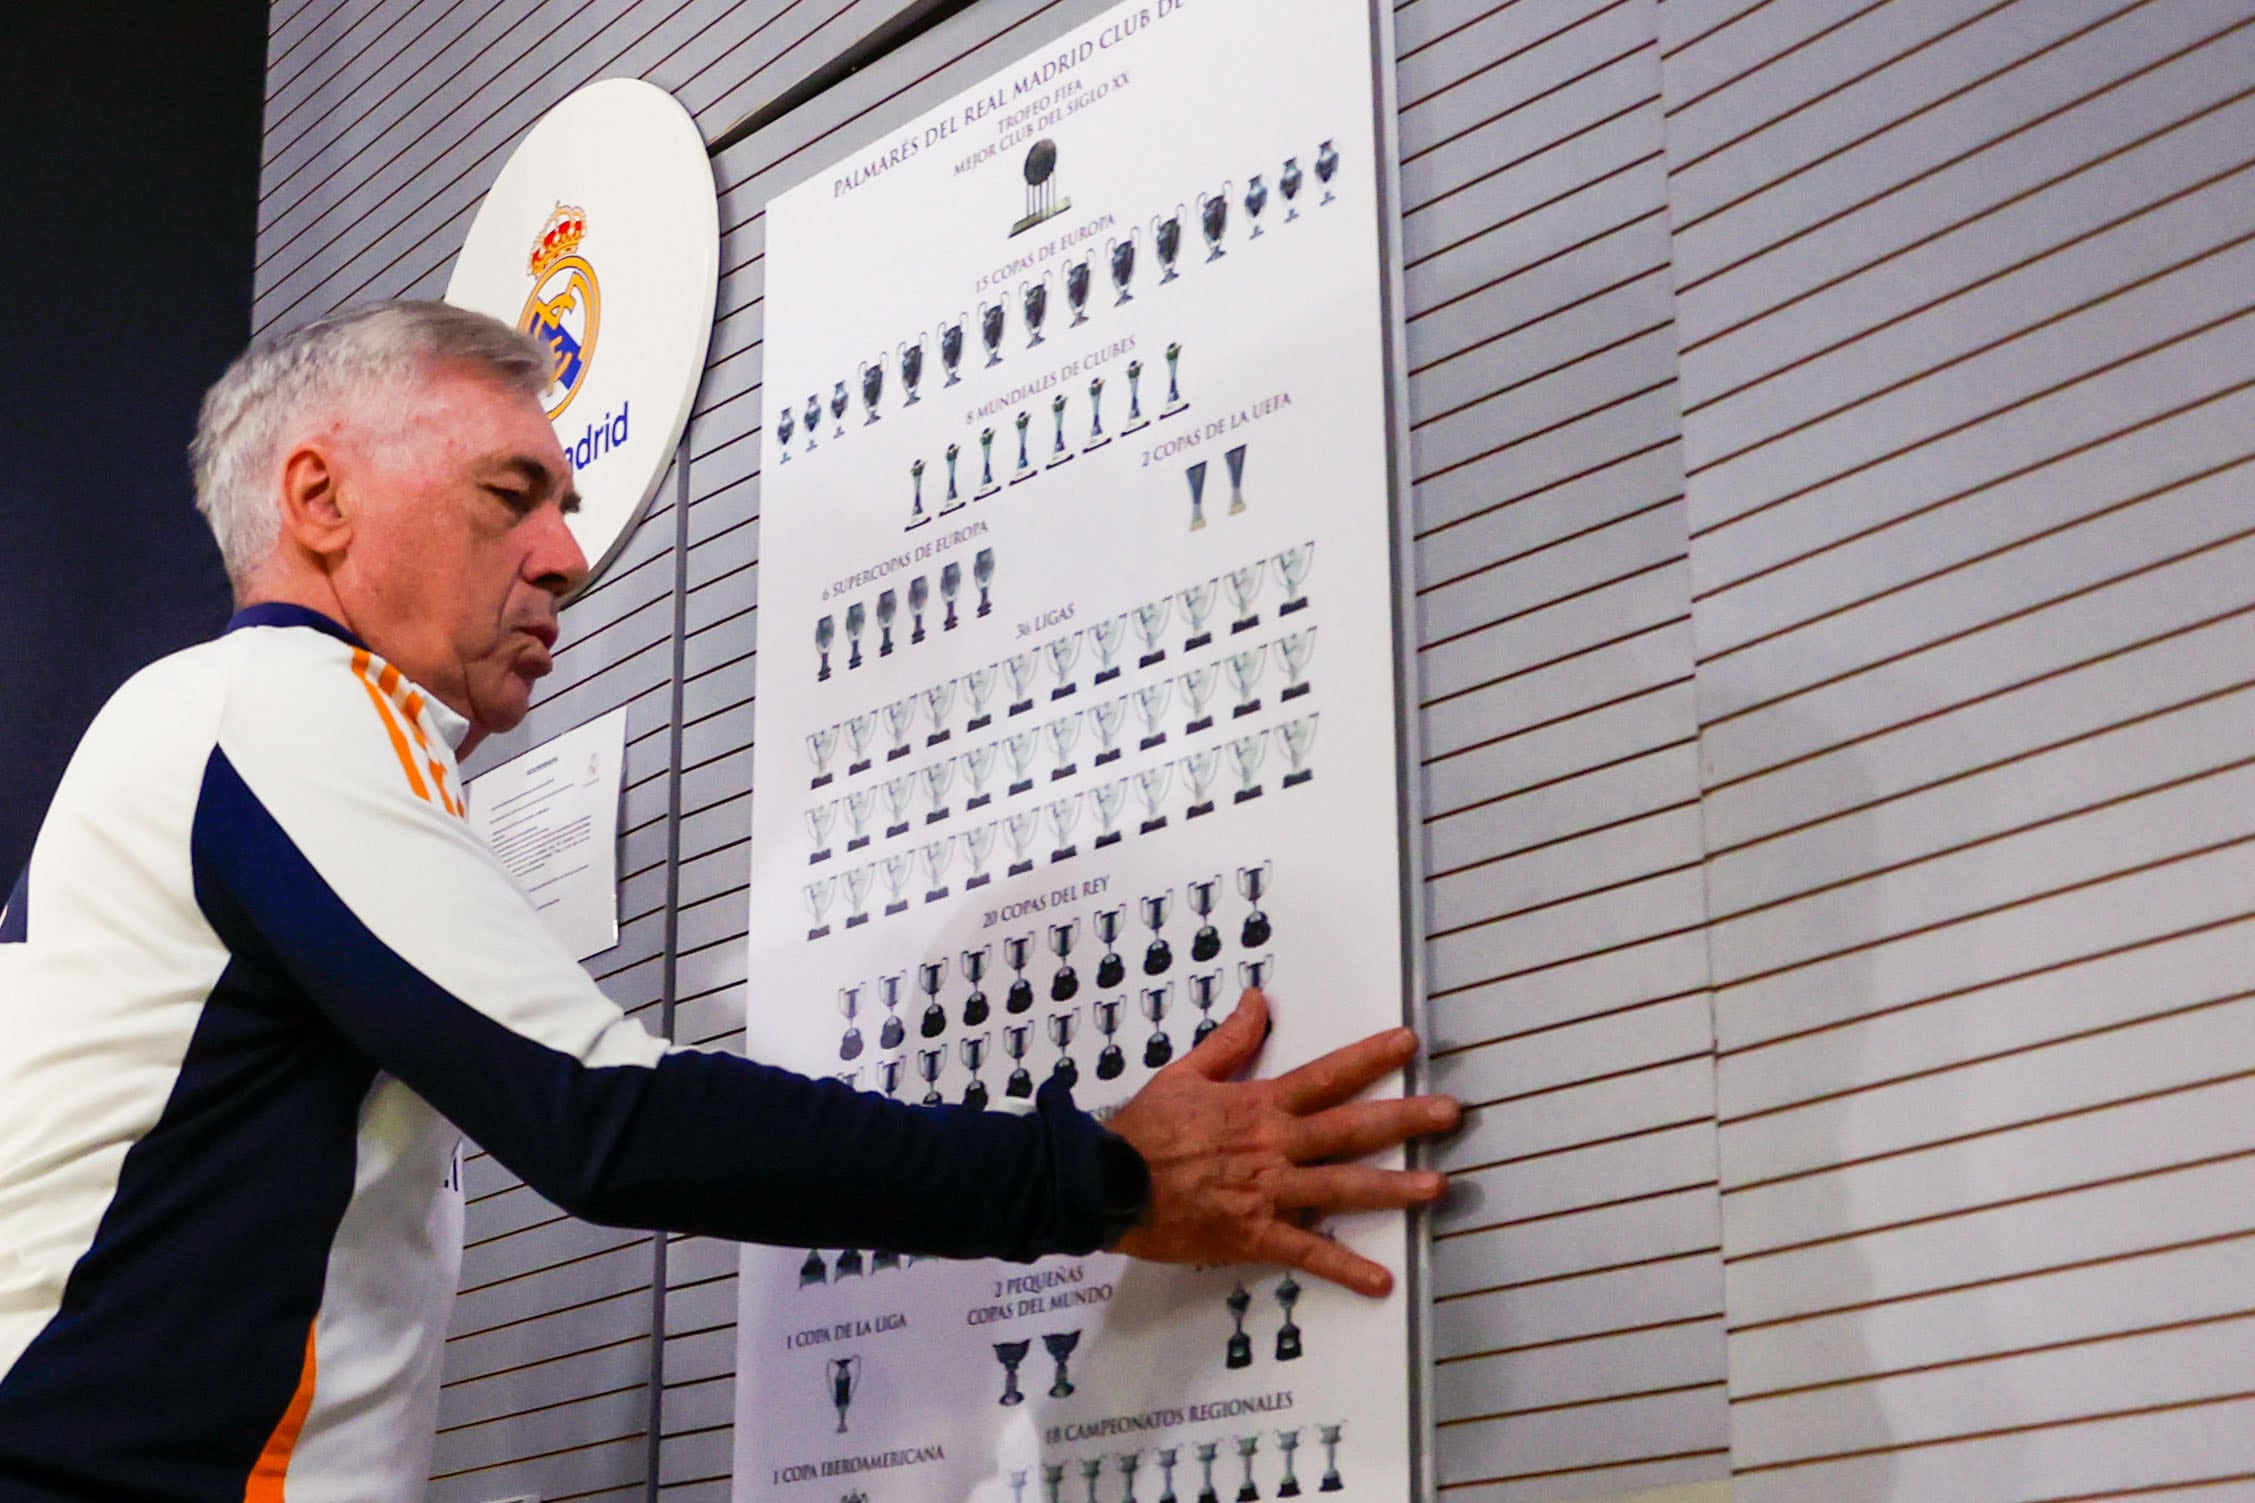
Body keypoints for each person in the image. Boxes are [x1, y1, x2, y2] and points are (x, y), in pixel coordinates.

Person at [0, 301, 1457, 1500]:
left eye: (563, 506)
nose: (567, 554)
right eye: (512, 497)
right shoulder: (282, 701)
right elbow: (603, 1118)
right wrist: (1104, 1178)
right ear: (320, 502)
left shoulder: (212, 743)